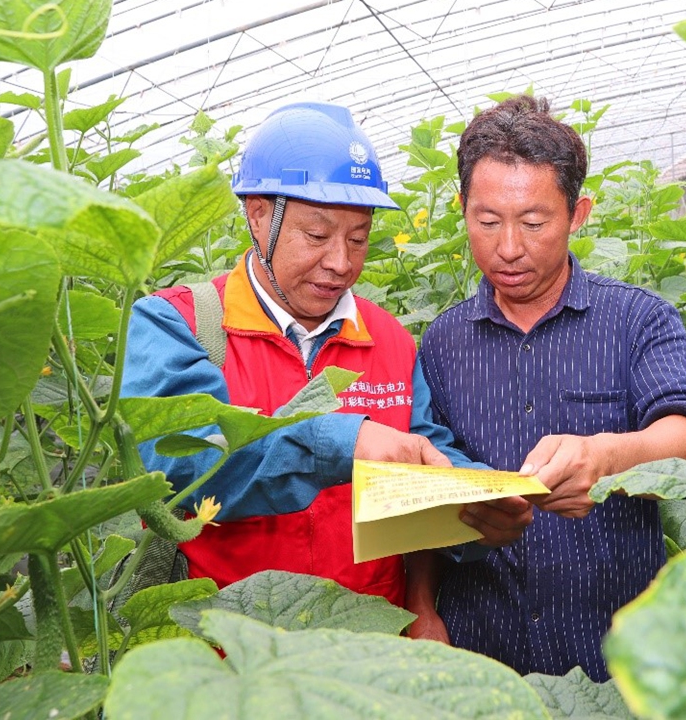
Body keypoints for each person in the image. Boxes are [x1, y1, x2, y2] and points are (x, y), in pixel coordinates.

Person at [123, 102, 531, 608]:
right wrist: (339, 442)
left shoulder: (388, 338)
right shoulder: (178, 323)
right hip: (229, 639)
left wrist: (477, 507)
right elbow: (179, 465)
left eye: (358, 239)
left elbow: (425, 452)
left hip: (368, 633)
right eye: (316, 236)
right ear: (258, 215)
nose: (340, 262)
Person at [406, 95, 686, 680]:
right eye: (486, 221)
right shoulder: (442, 342)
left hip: (615, 654)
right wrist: (422, 607)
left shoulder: (638, 320)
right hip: (482, 653)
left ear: (578, 214)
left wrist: (608, 457)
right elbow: (428, 490)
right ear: (462, 208)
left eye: (534, 223)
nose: (509, 247)